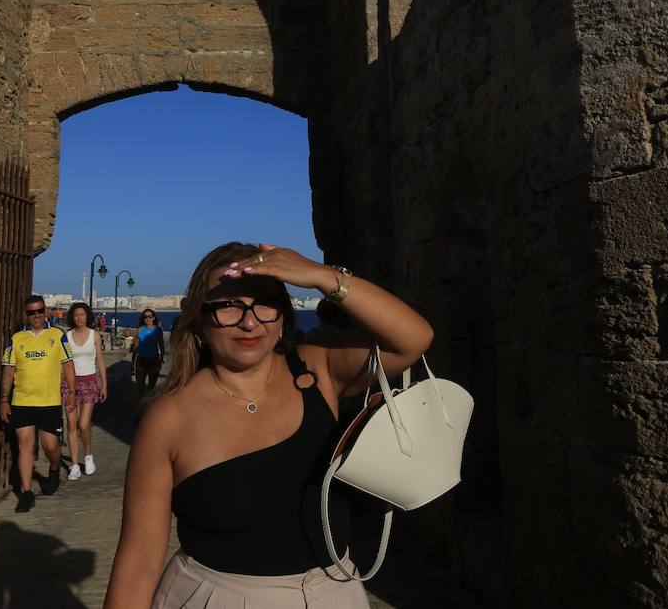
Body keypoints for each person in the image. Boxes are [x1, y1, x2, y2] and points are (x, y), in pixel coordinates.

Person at [104, 242, 433, 608]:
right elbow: (138, 565)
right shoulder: (168, 419)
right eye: (228, 305)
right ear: (198, 319)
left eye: (264, 303)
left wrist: (322, 276)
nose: (249, 321)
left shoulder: (316, 368)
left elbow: (412, 339)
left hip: (336, 594)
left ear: (282, 317)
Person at [0, 294, 76, 512]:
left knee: (50, 446)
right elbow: (8, 370)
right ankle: (26, 493)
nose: (36, 316)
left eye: (40, 311)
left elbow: (68, 365)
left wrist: (71, 392)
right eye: (32, 312)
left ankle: (53, 467)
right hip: (22, 401)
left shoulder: (57, 335)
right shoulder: (17, 339)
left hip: (49, 402)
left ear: (45, 311)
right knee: (25, 446)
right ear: (26, 314)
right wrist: (4, 399)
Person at [61, 301, 108, 481]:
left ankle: (88, 455)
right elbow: (62, 362)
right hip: (70, 384)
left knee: (83, 424)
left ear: (87, 316)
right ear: (72, 317)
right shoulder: (67, 336)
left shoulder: (94, 335)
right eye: (76, 315)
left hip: (89, 382)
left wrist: (104, 384)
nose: (79, 318)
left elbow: (101, 361)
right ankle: (74, 464)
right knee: (71, 425)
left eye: (82, 314)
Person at [130, 309, 165, 394]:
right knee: (140, 389)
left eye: (150, 316)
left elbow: (161, 346)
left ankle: (148, 406)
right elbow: (136, 347)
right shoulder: (140, 330)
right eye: (145, 317)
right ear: (143, 318)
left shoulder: (158, 330)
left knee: (151, 389)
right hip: (141, 363)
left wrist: (161, 359)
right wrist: (132, 362)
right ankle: (141, 406)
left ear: (153, 318)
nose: (148, 318)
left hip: (154, 362)